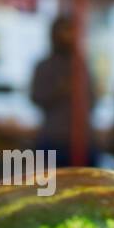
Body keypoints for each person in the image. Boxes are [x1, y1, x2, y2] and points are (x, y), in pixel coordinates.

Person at [30, 15, 94, 165]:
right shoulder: (45, 66)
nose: (67, 36)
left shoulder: (81, 65)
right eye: (63, 31)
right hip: (53, 137)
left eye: (70, 31)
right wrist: (60, 90)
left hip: (81, 139)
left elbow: (91, 100)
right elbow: (36, 96)